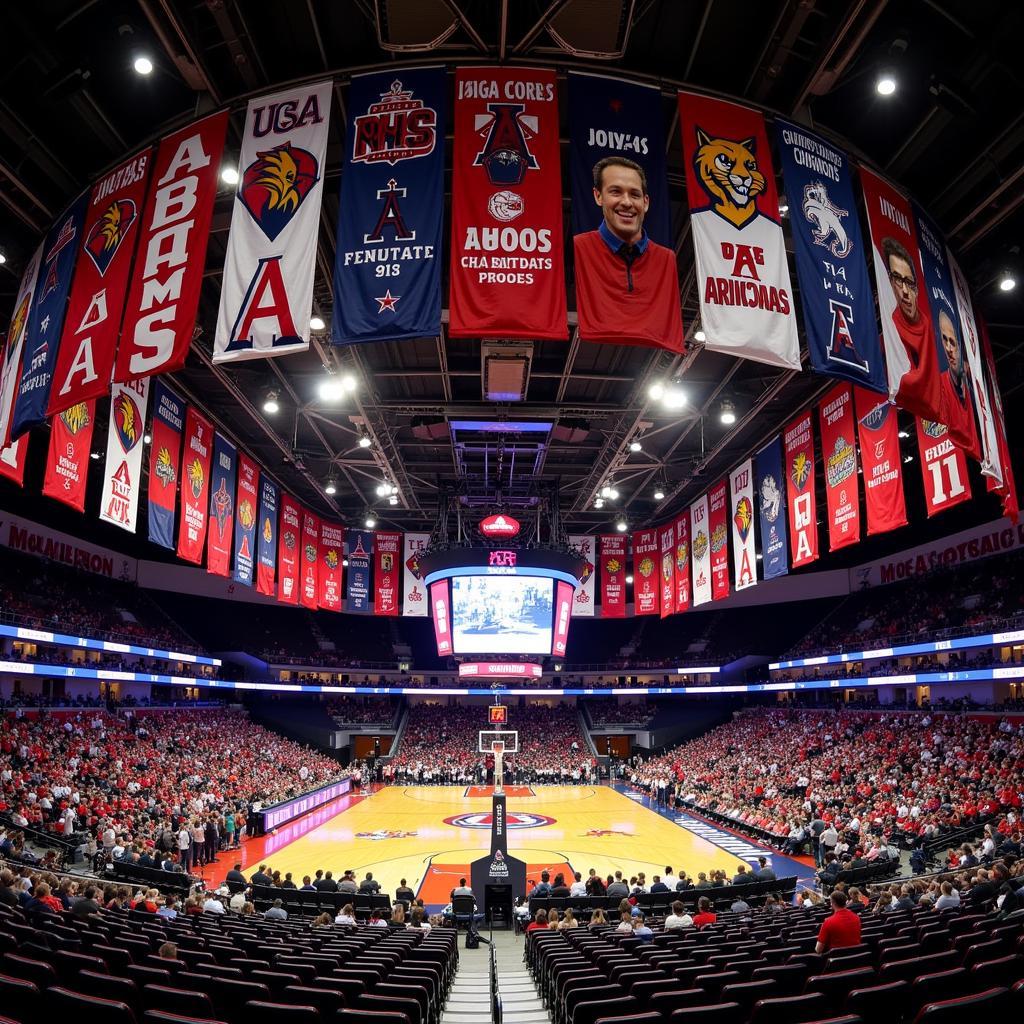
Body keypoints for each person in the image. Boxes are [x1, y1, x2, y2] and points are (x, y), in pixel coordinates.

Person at [573, 157, 684, 355]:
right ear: (598, 196)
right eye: (615, 192)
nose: (626, 202)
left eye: (635, 194)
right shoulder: (577, 248)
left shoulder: (668, 260)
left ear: (646, 202)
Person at [880, 235, 939, 420]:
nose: (905, 291)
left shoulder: (934, 330)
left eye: (910, 283)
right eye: (898, 279)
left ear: (917, 289)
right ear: (889, 283)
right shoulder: (890, 334)